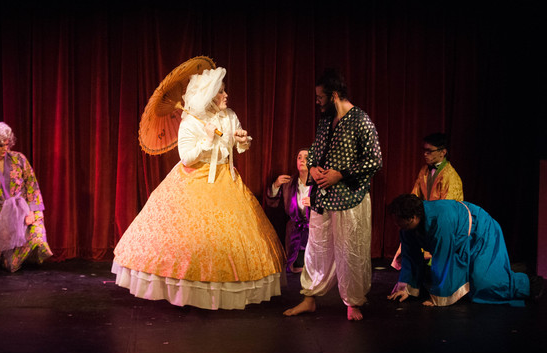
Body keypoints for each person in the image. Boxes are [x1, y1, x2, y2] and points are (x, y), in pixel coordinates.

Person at [112, 67, 285, 310]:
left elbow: (237, 145)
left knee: (229, 239)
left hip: (226, 180)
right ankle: (187, 291)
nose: (226, 95)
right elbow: (186, 158)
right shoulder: (191, 122)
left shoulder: (229, 116)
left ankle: (219, 291)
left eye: (224, 91)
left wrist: (242, 140)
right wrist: (207, 139)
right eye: (221, 92)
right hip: (194, 180)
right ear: (209, 96)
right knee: (191, 239)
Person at [284, 68, 382, 321]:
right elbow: (315, 151)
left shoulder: (360, 120)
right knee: (316, 248)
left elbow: (374, 160)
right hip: (323, 197)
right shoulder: (326, 120)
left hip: (350, 197)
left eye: (320, 97)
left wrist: (341, 174)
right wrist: (313, 167)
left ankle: (353, 302)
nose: (317, 102)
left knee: (350, 250)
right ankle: (309, 298)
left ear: (334, 95)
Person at [387, 194, 542, 307]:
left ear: (413, 217)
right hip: (460, 238)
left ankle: (531, 284)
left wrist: (439, 296)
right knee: (461, 283)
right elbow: (410, 257)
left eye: (400, 222)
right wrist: (406, 289)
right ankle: (511, 269)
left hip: (481, 230)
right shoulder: (406, 228)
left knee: (484, 284)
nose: (397, 226)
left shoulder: (441, 221)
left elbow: (444, 257)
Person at [0, 122, 52, 272]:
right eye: (0, 145)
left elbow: (32, 185)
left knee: (38, 237)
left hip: (23, 207)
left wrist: (31, 211)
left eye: (6, 144)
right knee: (11, 265)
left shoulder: (19, 159)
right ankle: (13, 257)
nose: (5, 148)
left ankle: (33, 252)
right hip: (3, 212)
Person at [390, 132, 463, 269]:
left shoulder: (451, 177)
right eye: (424, 150)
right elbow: (415, 195)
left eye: (429, 151)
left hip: (439, 222)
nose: (425, 154)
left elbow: (447, 208)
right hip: (424, 217)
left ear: (443, 152)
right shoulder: (424, 170)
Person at [265, 148, 311, 273]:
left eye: (306, 157)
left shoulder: (318, 184)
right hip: (293, 233)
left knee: (312, 269)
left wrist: (315, 203)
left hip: (314, 233)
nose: (302, 160)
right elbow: (272, 202)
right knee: (295, 270)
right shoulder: (289, 183)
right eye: (299, 157)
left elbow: (330, 207)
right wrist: (276, 185)